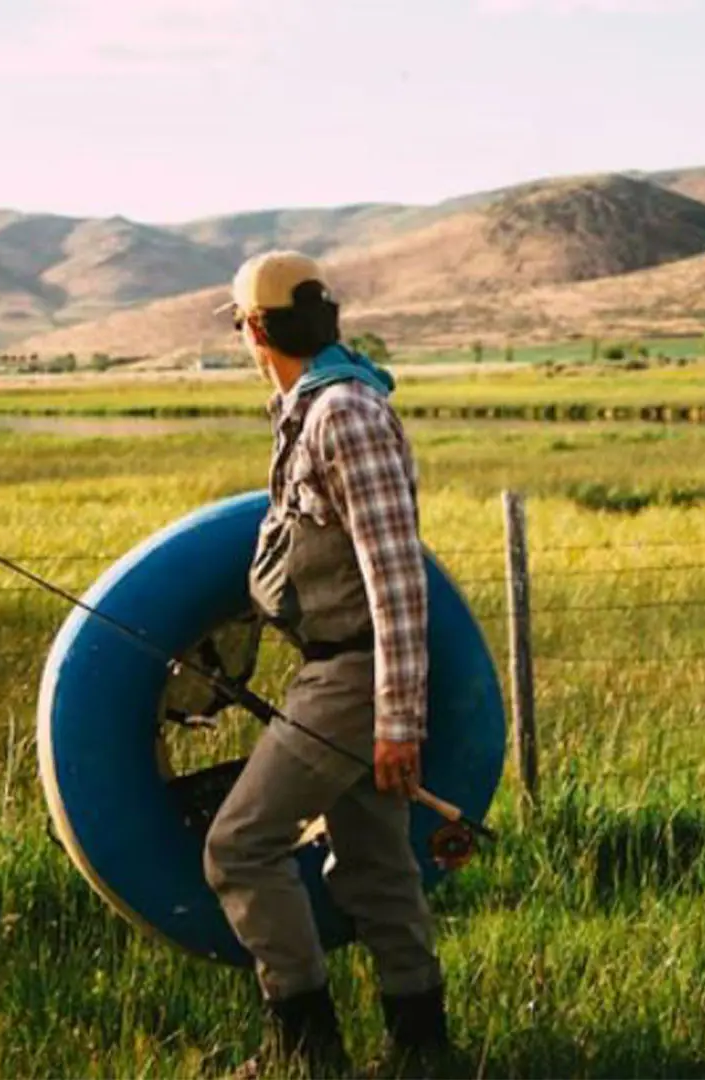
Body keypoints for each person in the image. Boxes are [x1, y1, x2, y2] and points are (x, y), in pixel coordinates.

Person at [203, 250, 447, 1075]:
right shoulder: (310, 411)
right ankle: (423, 1052)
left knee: (237, 848)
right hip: (334, 671)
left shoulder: (344, 414)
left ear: (258, 330)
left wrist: (397, 719)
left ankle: (310, 1056)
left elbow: (396, 578)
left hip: (355, 677)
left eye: (241, 326)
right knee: (377, 867)